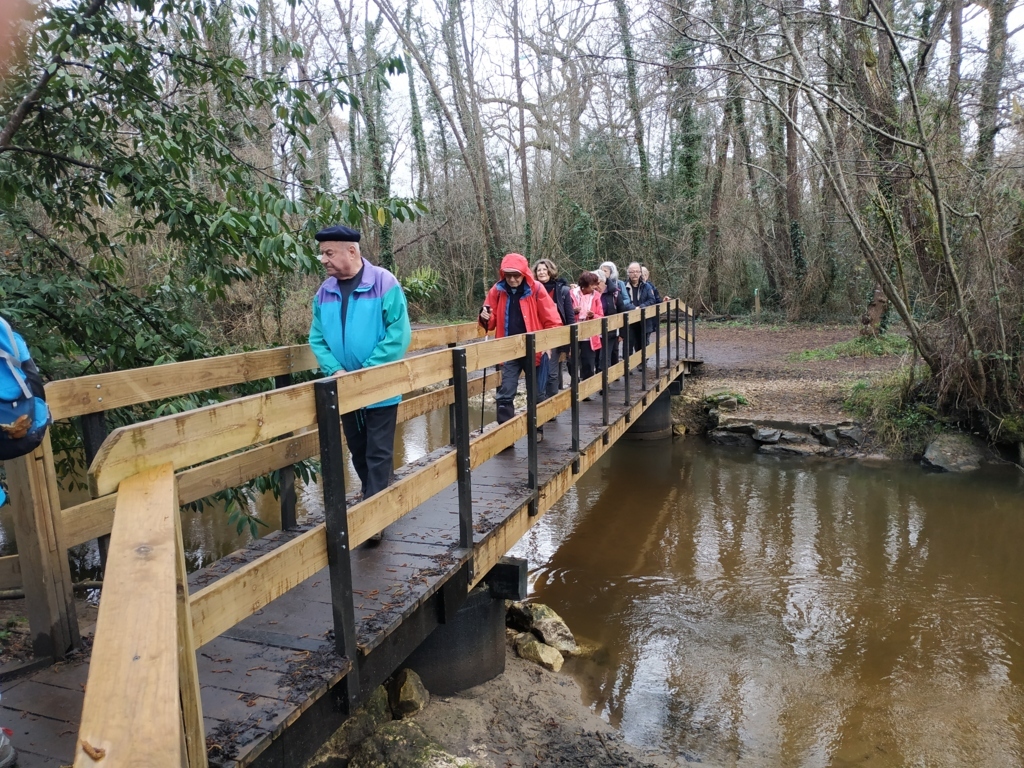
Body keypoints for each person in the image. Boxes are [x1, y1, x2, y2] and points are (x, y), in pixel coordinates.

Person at [309, 224, 412, 509]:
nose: (323, 260)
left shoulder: (384, 282)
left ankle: (374, 514)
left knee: (378, 451)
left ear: (351, 251)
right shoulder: (324, 292)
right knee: (358, 448)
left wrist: (367, 369)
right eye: (322, 254)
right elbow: (316, 339)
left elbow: (399, 334)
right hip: (345, 386)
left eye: (329, 253)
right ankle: (373, 497)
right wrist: (335, 371)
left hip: (379, 384)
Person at [479, 253, 562, 437]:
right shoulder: (497, 290)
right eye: (508, 275)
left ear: (524, 273)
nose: (512, 279)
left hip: (535, 349)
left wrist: (548, 345)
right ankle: (506, 436)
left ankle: (537, 431)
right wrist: (484, 316)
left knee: (537, 393)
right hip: (508, 350)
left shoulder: (536, 289)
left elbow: (552, 320)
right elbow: (490, 322)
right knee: (505, 393)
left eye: (516, 275)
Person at [533, 258, 575, 400]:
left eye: (545, 269)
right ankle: (539, 404)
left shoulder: (562, 290)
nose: (542, 272)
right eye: (539, 270)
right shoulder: (531, 290)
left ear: (551, 271)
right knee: (536, 372)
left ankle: (550, 405)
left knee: (552, 374)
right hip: (536, 335)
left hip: (554, 335)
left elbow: (569, 316)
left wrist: (569, 343)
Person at [570, 271, 604, 382]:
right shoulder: (571, 294)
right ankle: (575, 383)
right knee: (571, 361)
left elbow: (601, 315)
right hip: (573, 332)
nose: (595, 287)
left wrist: (593, 315)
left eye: (596, 284)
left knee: (588, 362)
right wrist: (573, 312)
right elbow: (564, 313)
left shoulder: (596, 296)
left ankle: (587, 389)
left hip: (589, 334)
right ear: (584, 285)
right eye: (592, 284)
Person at [623, 261, 658, 358]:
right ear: (628, 273)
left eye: (637, 271)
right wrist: (634, 308)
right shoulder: (623, 286)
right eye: (632, 271)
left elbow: (652, 300)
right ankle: (627, 367)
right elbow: (622, 302)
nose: (634, 274)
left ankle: (642, 365)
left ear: (640, 273)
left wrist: (641, 307)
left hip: (644, 320)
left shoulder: (646, 286)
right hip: (628, 321)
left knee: (642, 344)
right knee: (628, 345)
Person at [595, 271, 626, 371]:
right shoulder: (591, 293)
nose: (595, 286)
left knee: (604, 359)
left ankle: (604, 384)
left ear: (603, 282)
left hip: (610, 330)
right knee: (595, 359)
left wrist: (622, 333)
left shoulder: (614, 293)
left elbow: (622, 312)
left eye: (597, 283)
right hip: (594, 332)